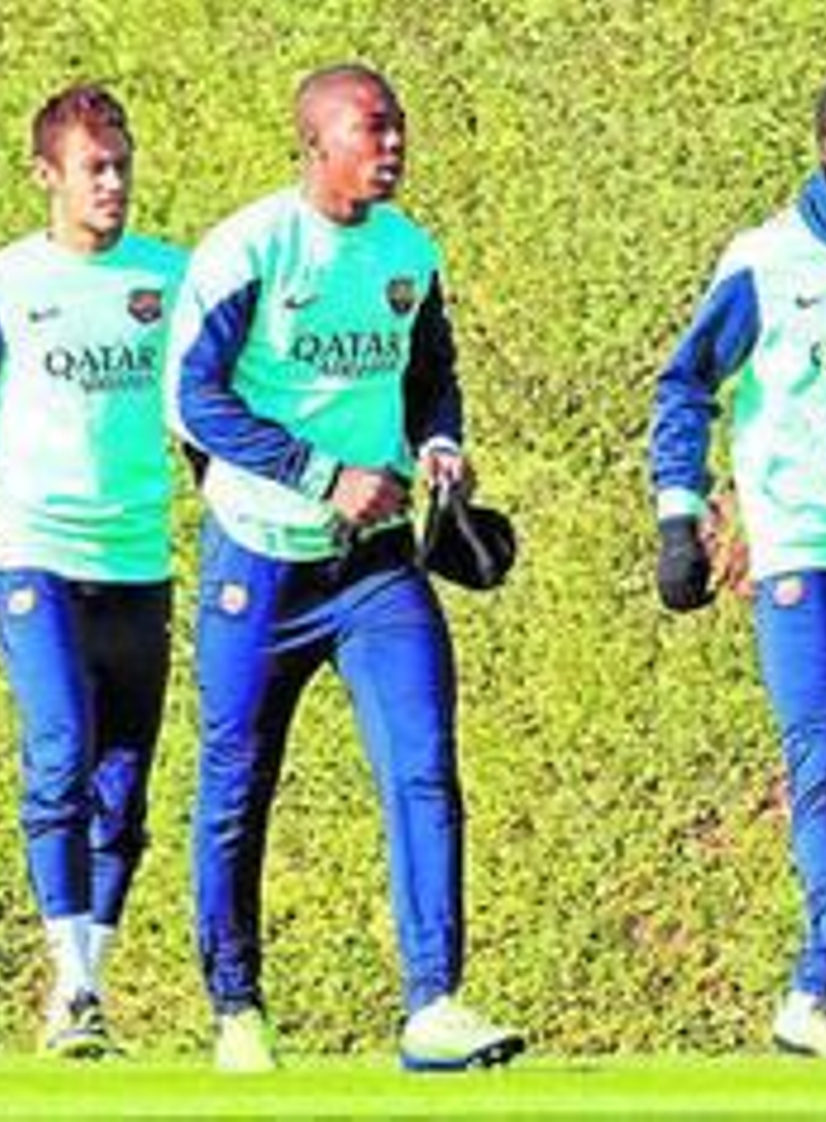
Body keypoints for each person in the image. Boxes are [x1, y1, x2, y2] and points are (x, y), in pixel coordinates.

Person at [164, 63, 525, 1074]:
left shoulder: (409, 252)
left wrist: (441, 444)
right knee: (236, 782)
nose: (394, 144)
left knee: (423, 768)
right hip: (260, 561)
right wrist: (323, 474)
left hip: (372, 570)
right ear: (316, 141)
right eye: (373, 128)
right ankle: (236, 1008)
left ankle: (434, 1004)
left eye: (399, 126)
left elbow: (431, 377)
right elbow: (196, 400)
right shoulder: (251, 250)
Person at [0, 83, 186, 1057]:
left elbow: (211, 418)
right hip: (34, 555)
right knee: (60, 750)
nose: (112, 184)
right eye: (93, 168)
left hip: (140, 558)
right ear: (46, 177)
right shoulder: (0, 285)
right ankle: (68, 980)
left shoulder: (172, 279)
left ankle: (89, 987)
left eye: (122, 165)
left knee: (125, 782)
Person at [648, 63, 826, 1061]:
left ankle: (810, 1000)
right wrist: (678, 515)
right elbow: (684, 386)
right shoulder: (766, 260)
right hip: (801, 543)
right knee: (821, 750)